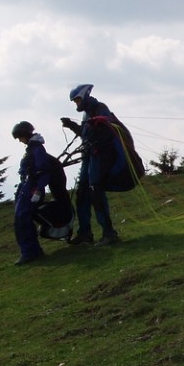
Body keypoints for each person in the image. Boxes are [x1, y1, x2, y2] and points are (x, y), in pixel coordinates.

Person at [60, 84, 123, 246]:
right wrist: (72, 126)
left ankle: (109, 233)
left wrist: (96, 139)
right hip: (89, 156)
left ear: (85, 96)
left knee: (96, 192)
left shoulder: (101, 108)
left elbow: (108, 131)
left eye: (77, 100)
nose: (76, 103)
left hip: (100, 156)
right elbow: (86, 133)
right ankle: (85, 233)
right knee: (82, 193)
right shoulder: (87, 114)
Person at [11, 121, 49, 265]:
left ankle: (29, 252)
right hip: (26, 186)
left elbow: (43, 170)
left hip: (32, 188)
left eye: (20, 137)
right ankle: (32, 250)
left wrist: (38, 189)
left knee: (22, 218)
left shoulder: (37, 149)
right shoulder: (32, 148)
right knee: (21, 219)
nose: (20, 140)